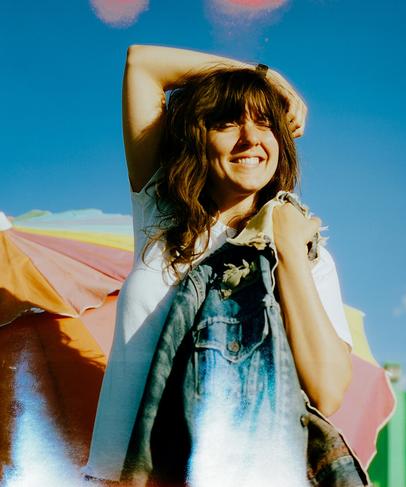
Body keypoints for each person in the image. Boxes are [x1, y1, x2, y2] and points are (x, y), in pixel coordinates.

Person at [82, 44, 354, 483]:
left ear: (280, 143)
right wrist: (268, 77)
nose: (250, 138)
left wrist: (286, 248)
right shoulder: (162, 214)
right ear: (197, 139)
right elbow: (143, 64)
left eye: (265, 123)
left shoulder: (306, 252)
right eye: (227, 123)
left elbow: (328, 389)